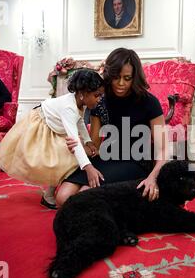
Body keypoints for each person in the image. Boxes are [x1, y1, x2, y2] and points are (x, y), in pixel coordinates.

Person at [55, 48, 169, 208]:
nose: (121, 83)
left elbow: (163, 150)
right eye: (116, 77)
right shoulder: (99, 99)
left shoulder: (149, 102)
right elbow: (94, 147)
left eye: (127, 78)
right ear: (109, 75)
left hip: (135, 162)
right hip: (106, 158)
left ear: (135, 77)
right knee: (62, 197)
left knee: (84, 195)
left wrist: (153, 177)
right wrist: (78, 146)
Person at [0, 68, 104, 190]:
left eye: (101, 95)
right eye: (97, 95)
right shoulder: (69, 108)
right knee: (54, 160)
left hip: (55, 126)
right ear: (82, 94)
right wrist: (88, 168)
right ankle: (49, 194)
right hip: (41, 125)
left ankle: (50, 193)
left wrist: (88, 141)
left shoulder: (79, 102)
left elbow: (80, 121)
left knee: (64, 159)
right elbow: (74, 142)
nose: (99, 99)